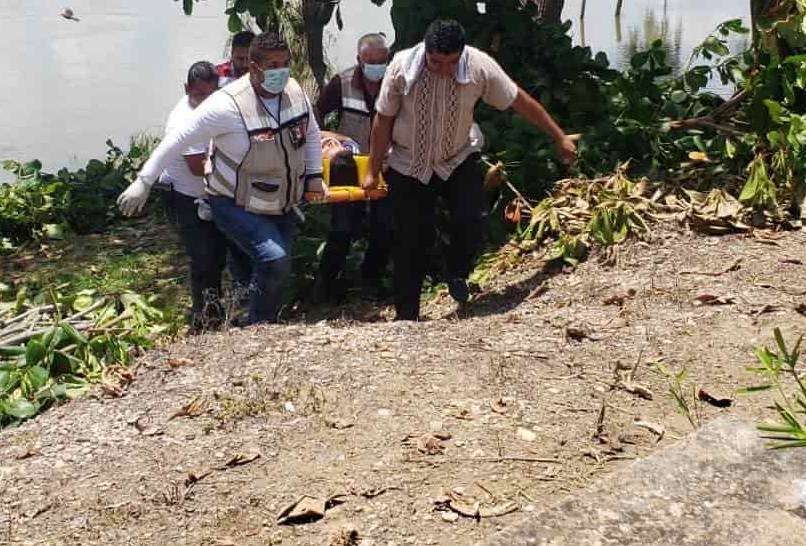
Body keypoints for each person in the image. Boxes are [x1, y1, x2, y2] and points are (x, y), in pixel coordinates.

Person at [363, 18, 576, 321]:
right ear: (426, 51)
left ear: (461, 54)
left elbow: (519, 101)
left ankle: (456, 272)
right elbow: (383, 120)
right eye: (437, 62)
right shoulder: (400, 68)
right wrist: (373, 169)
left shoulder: (479, 66)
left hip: (457, 157)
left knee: (473, 219)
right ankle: (407, 318)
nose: (445, 69)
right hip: (408, 163)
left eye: (452, 62)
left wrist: (559, 136)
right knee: (410, 241)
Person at [119, 32, 325, 326]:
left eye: (284, 63)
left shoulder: (294, 91)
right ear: (254, 68)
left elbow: (312, 133)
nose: (281, 71)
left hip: (281, 201)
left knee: (277, 268)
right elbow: (177, 139)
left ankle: (254, 319)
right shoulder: (226, 106)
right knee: (274, 259)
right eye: (272, 65)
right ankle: (258, 326)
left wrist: (314, 174)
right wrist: (144, 181)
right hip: (233, 202)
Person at [157, 61, 249, 329]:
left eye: (210, 95)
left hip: (212, 194)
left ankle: (219, 311)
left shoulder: (218, 108)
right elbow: (199, 168)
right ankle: (204, 319)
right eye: (199, 96)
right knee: (203, 259)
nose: (205, 101)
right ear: (187, 89)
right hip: (185, 197)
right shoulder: (183, 120)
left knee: (221, 255)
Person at [310, 32, 394, 302]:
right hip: (348, 169)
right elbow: (317, 113)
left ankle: (370, 279)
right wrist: (329, 143)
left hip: (386, 165)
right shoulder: (342, 82)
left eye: (382, 60)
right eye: (370, 61)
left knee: (384, 227)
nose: (376, 66)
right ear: (359, 60)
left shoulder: (398, 82)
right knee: (342, 229)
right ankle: (325, 285)